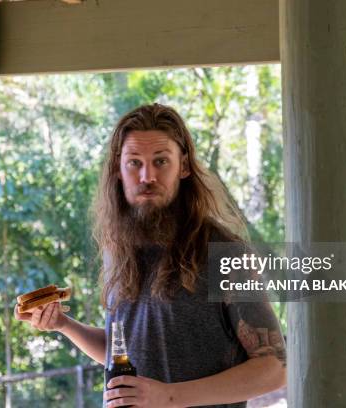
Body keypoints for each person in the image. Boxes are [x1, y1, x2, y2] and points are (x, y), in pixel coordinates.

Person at [15, 103, 286, 407]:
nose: (147, 176)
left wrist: (169, 396)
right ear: (118, 168)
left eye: (161, 161)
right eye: (134, 163)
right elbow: (129, 351)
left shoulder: (224, 252)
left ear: (183, 166)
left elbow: (275, 367)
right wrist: (64, 325)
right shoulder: (119, 249)